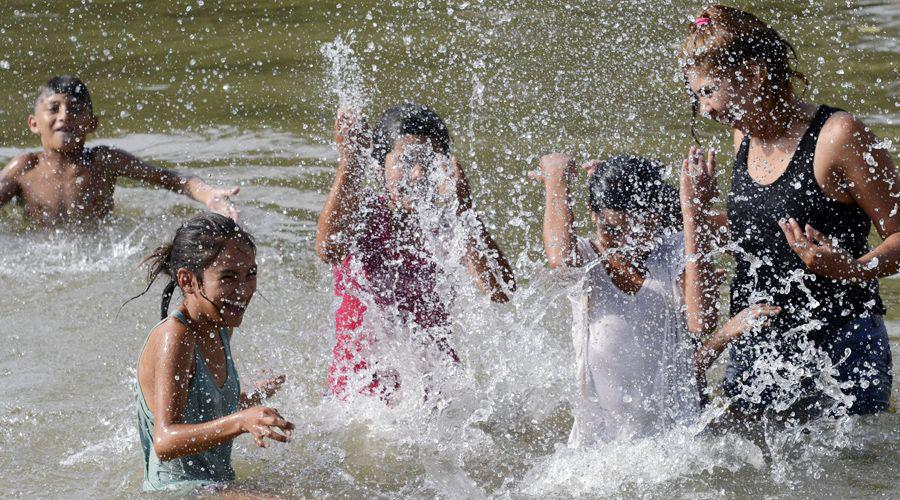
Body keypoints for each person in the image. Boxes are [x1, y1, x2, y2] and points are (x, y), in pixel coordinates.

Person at [681, 5, 896, 417]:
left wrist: (852, 269)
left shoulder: (838, 136)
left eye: (709, 91)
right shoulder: (742, 135)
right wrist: (694, 213)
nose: (705, 109)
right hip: (756, 347)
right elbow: (761, 228)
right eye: (697, 96)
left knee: (852, 459)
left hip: (841, 346)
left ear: (754, 75)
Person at [531, 153, 776, 446]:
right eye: (611, 229)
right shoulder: (589, 264)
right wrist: (556, 177)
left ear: (657, 217)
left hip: (675, 445)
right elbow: (560, 259)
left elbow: (700, 322)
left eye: (640, 229)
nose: (626, 242)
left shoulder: (673, 254)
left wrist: (694, 213)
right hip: (596, 450)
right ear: (592, 214)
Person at [315, 103, 516, 402]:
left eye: (429, 162)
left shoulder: (448, 227)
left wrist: (464, 210)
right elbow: (328, 249)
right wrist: (351, 161)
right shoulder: (363, 215)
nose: (419, 174)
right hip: (359, 398)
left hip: (434, 398)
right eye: (407, 161)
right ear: (380, 165)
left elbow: (500, 290)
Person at [132, 213, 294, 491]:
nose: (243, 290)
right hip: (178, 491)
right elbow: (165, 441)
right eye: (228, 277)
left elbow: (201, 411)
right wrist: (242, 421)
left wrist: (250, 402)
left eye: (250, 274)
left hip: (218, 485)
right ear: (188, 281)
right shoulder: (176, 336)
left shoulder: (220, 325)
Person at [0, 76, 239, 227]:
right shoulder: (25, 168)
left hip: (98, 250)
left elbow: (174, 180)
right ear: (33, 123)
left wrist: (209, 195)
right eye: (54, 108)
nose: (65, 116)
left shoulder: (103, 161)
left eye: (75, 109)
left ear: (92, 123)